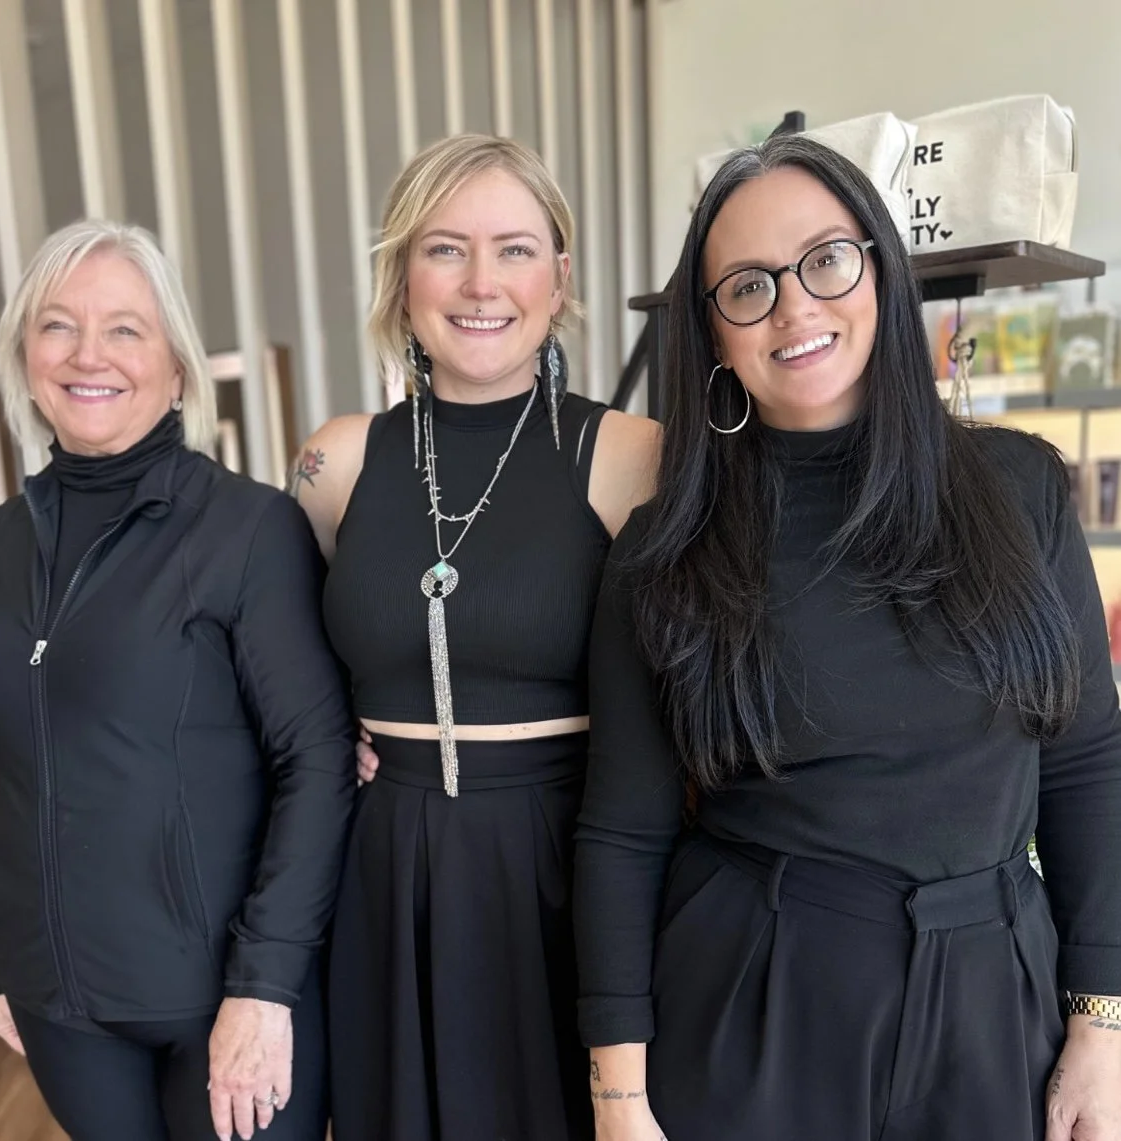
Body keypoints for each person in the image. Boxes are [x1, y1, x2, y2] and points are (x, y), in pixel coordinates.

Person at [574, 134, 1121, 1141]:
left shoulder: (1020, 491)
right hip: (757, 1004)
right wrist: (620, 1102)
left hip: (995, 1000)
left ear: (879, 264)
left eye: (825, 259)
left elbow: (1085, 763)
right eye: (747, 285)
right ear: (712, 334)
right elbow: (622, 834)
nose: (794, 306)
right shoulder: (666, 552)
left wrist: (1100, 1023)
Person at [0, 219, 355, 1141]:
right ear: (25, 353)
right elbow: (11, 767)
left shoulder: (247, 531)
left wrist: (265, 985)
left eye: (125, 328)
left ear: (175, 365)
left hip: (219, 997)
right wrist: (1, 951)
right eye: (58, 325)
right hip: (59, 1002)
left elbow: (317, 760)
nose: (89, 354)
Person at [287, 133, 659, 1141]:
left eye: (515, 248)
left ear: (561, 277)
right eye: (445, 248)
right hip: (383, 866)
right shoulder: (336, 460)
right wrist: (335, 739)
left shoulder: (627, 455)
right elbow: (286, 667)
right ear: (402, 275)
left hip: (565, 860)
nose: (481, 282)